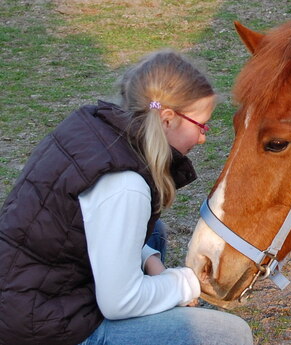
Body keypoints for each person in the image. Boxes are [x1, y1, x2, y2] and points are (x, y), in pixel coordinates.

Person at [0, 49, 253, 345]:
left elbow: (95, 225)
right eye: (201, 125)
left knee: (153, 235)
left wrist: (150, 261)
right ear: (168, 119)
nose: (202, 137)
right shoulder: (125, 184)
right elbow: (119, 302)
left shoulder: (95, 130)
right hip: (43, 328)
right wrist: (185, 284)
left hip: (23, 297)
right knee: (228, 335)